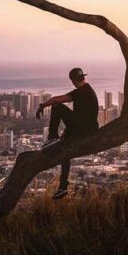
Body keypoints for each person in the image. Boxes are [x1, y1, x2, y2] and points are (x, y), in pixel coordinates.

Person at [36, 67, 99, 200]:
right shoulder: (87, 90)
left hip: (82, 128)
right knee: (64, 146)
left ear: (74, 81)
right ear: (83, 78)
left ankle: (52, 136)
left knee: (57, 106)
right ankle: (63, 186)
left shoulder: (82, 91)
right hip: (86, 127)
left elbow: (56, 100)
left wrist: (42, 105)